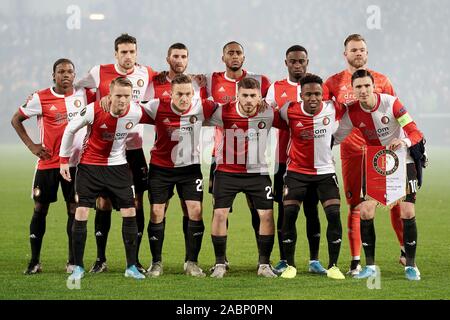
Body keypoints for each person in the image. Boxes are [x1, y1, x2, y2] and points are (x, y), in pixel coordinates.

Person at [323, 34, 404, 275]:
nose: (358, 53)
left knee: (395, 203)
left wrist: (402, 145)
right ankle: (357, 261)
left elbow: (395, 112)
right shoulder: (333, 83)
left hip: (381, 151)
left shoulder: (381, 80)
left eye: (362, 50)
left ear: (367, 53)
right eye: (353, 50)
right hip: (351, 152)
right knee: (356, 206)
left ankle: (404, 252)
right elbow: (328, 115)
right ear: (345, 54)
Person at [76, 33, 157, 273]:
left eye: (132, 51)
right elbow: (77, 89)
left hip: (132, 148)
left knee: (135, 202)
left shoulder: (147, 73)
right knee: (103, 202)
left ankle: (135, 260)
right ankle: (100, 259)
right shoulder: (99, 71)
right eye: (123, 52)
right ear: (116, 54)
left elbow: (167, 83)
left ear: (137, 52)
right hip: (102, 150)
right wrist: (94, 101)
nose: (128, 56)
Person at [60, 77, 154, 281]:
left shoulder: (136, 111)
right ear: (109, 96)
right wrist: (63, 160)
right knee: (82, 211)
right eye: (118, 95)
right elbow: (70, 129)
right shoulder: (94, 109)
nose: (122, 100)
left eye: (127, 96)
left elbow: (159, 112)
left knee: (130, 211)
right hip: (89, 167)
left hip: (118, 167)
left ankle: (131, 266)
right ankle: (78, 267)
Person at [333, 70, 423, 281]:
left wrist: (404, 142)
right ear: (353, 90)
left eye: (366, 86)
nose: (363, 90)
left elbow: (414, 131)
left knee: (407, 211)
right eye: (358, 87)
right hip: (377, 160)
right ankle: (371, 266)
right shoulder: (352, 112)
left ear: (374, 86)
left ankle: (411, 265)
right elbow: (337, 137)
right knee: (365, 210)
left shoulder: (392, 103)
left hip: (403, 158)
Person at [11, 58, 94, 275]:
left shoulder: (83, 95)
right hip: (48, 164)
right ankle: (35, 261)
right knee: (40, 209)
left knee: (74, 211)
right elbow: (16, 119)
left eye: (69, 72)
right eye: (61, 71)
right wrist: (32, 146)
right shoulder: (40, 97)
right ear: (53, 75)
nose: (65, 75)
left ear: (74, 75)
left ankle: (72, 261)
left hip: (76, 165)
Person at [142, 74, 218, 277]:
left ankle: (191, 263)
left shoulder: (202, 106)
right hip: (160, 168)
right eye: (179, 94)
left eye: (187, 94)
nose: (183, 98)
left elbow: (228, 110)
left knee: (195, 210)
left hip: (190, 168)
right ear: (171, 94)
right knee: (157, 212)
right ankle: (156, 263)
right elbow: (130, 110)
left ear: (193, 93)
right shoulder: (156, 105)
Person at [204, 41, 271, 268]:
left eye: (238, 52)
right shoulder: (211, 79)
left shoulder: (260, 82)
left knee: (259, 212)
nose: (234, 56)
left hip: (255, 164)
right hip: (222, 158)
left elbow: (276, 110)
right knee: (222, 211)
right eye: (230, 52)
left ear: (244, 56)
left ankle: (263, 262)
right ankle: (221, 261)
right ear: (222, 57)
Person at [278, 74, 345, 280]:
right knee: (289, 214)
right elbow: (266, 118)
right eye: (308, 94)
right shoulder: (288, 110)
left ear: (322, 94)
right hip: (297, 173)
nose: (313, 98)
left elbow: (353, 113)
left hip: (325, 173)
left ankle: (333, 266)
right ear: (301, 95)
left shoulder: (333, 108)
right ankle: (290, 265)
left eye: (317, 93)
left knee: (333, 214)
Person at [265, 45, 326, 275]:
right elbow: (267, 115)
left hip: (313, 163)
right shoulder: (276, 88)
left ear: (307, 62)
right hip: (284, 161)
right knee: (285, 211)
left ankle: (314, 260)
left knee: (312, 210)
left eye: (301, 61)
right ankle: (284, 259)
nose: (297, 65)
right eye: (293, 61)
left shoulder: (319, 88)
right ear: (286, 63)